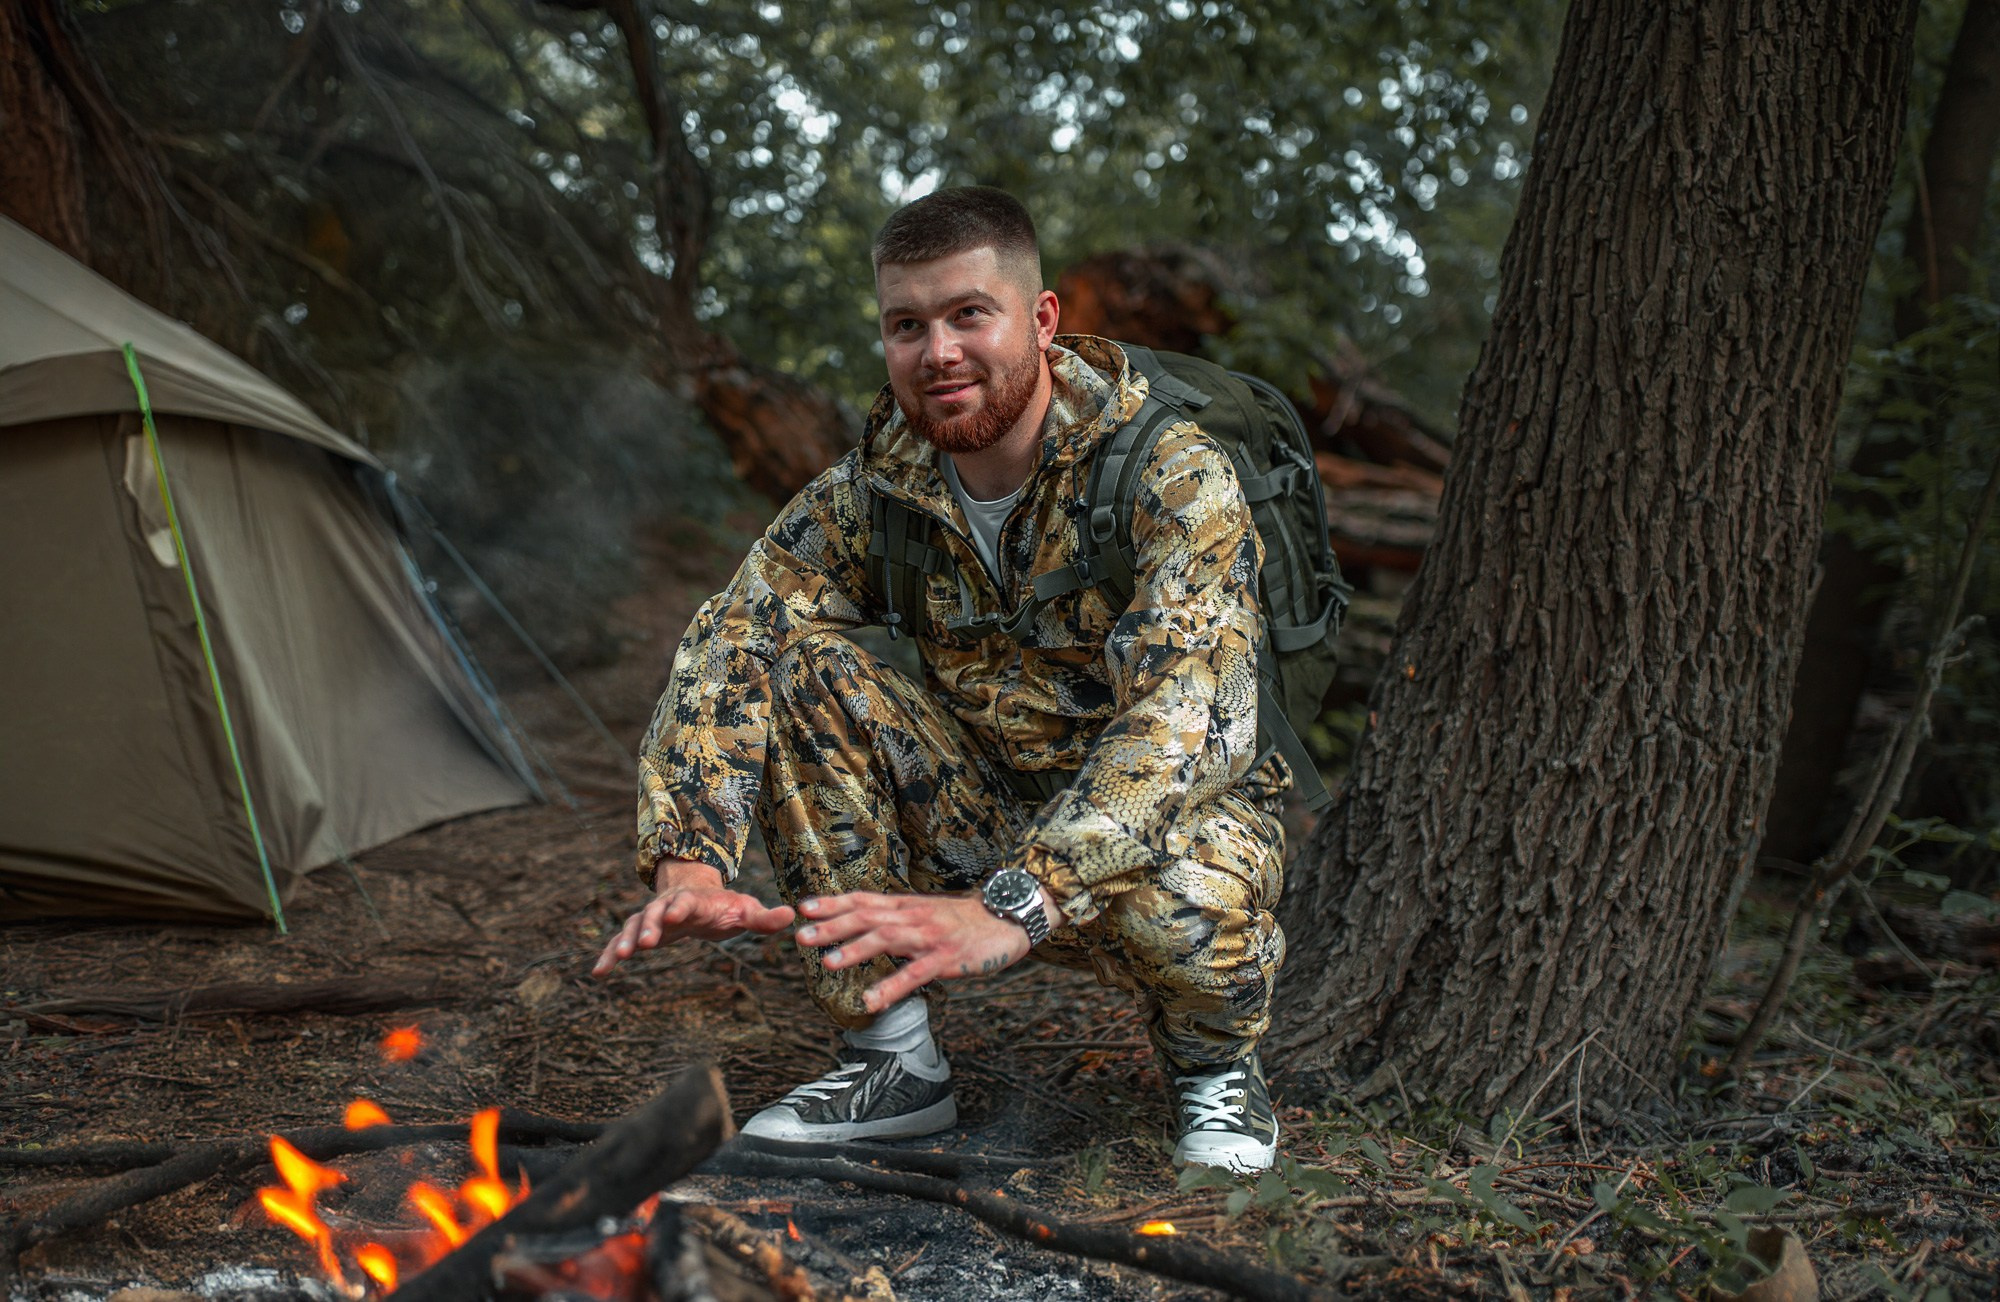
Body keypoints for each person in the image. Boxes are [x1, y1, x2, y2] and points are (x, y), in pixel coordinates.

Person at [592, 186, 1288, 1173]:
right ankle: (891, 1064)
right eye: (906, 325)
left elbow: (1185, 724)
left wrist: (1017, 903)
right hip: (981, 799)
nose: (938, 353)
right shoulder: (874, 493)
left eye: (969, 314)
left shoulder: (1169, 474)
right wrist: (690, 857)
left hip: (1169, 811)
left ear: (1040, 321)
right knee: (801, 668)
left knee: (1178, 884)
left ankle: (1214, 1063)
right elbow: (733, 636)